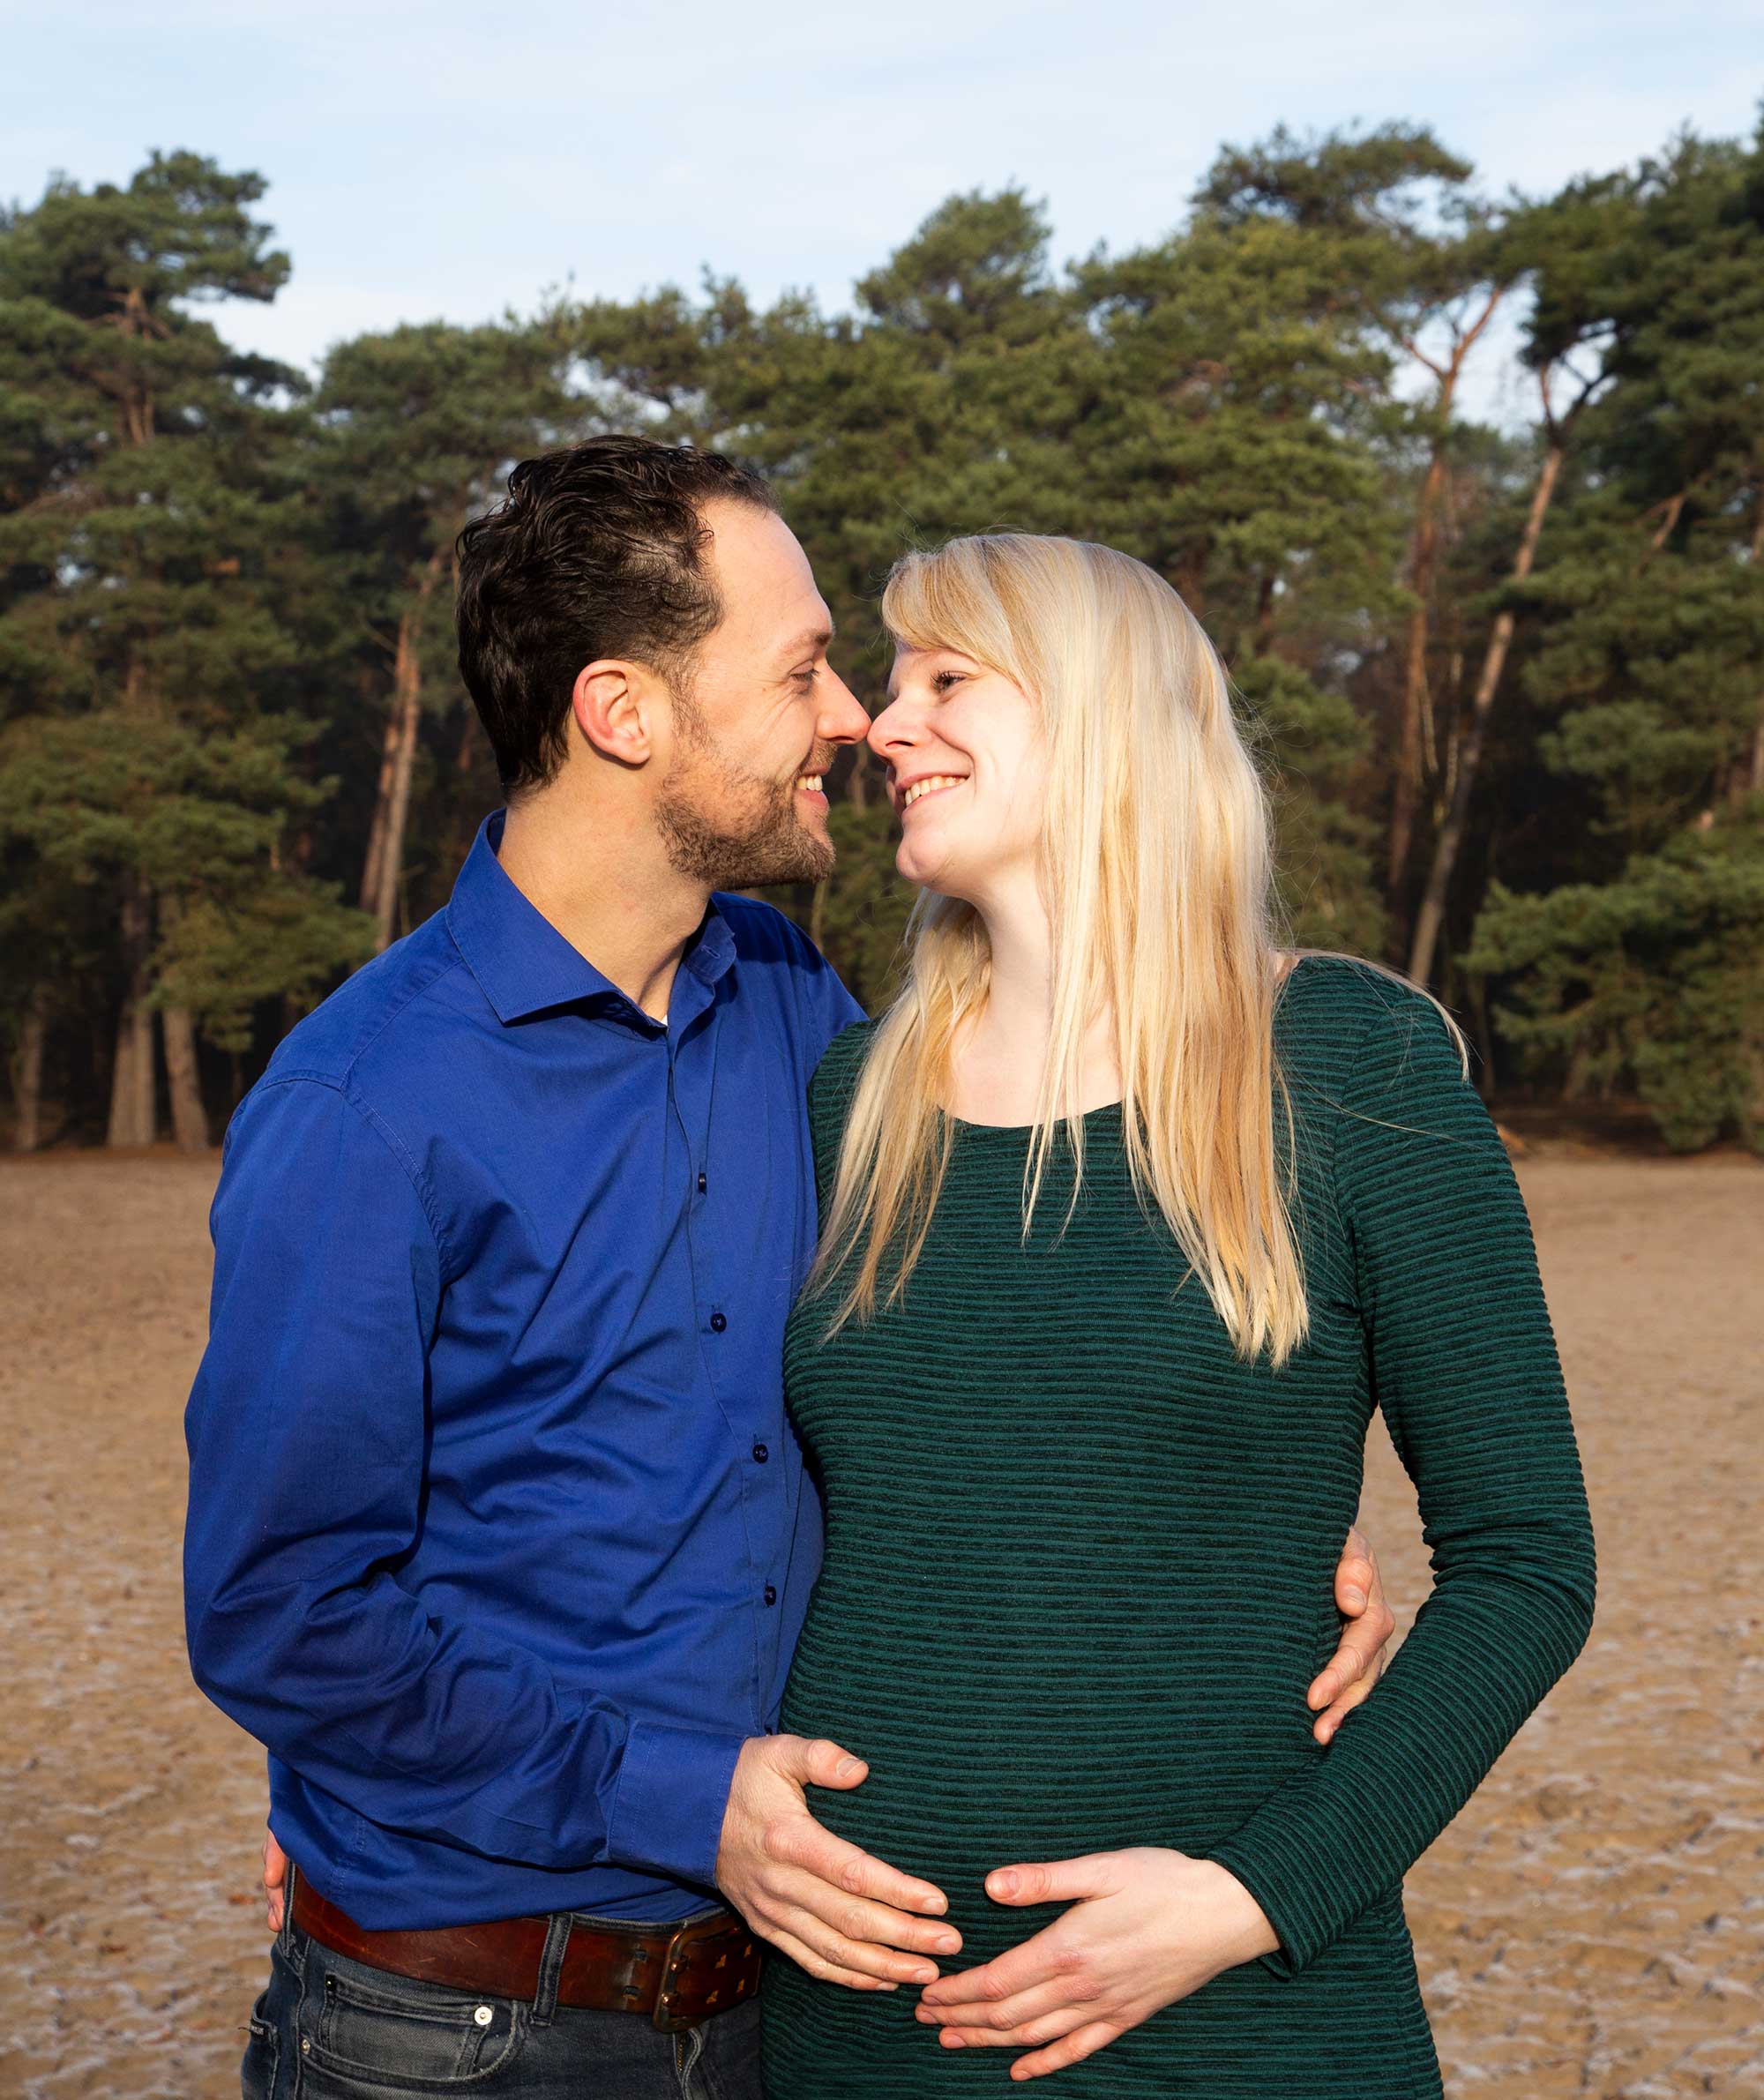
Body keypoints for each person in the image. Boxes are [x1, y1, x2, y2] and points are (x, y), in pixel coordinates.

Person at [183, 441, 1395, 2100]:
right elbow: (280, 1610)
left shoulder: (794, 1007)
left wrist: (1251, 1526)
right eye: (805, 665)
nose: (851, 718)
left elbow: (1005, 1326)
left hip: (787, 2011)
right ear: (625, 712)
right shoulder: (364, 1105)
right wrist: (680, 1800)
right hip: (471, 2032)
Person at [761, 532, 1596, 2096]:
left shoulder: (1350, 1064)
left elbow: (1528, 1561)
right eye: (887, 685)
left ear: (1100, 709)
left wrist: (1248, 1899)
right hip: (857, 2034)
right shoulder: (843, 1101)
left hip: (1243, 2029)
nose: (885, 725)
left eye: (946, 678)